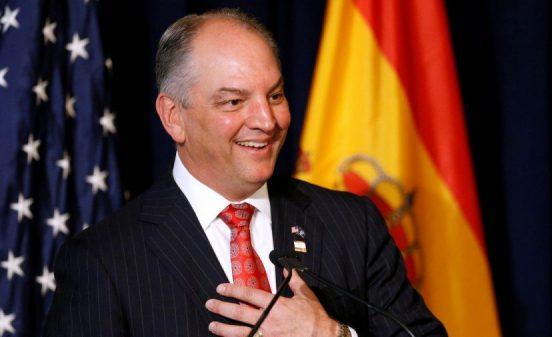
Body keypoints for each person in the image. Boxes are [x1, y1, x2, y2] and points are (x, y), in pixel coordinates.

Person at [44, 8, 446, 337]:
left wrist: (329, 335)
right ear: (173, 117)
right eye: (234, 102)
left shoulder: (350, 225)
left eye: (275, 96)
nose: (266, 120)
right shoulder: (104, 260)